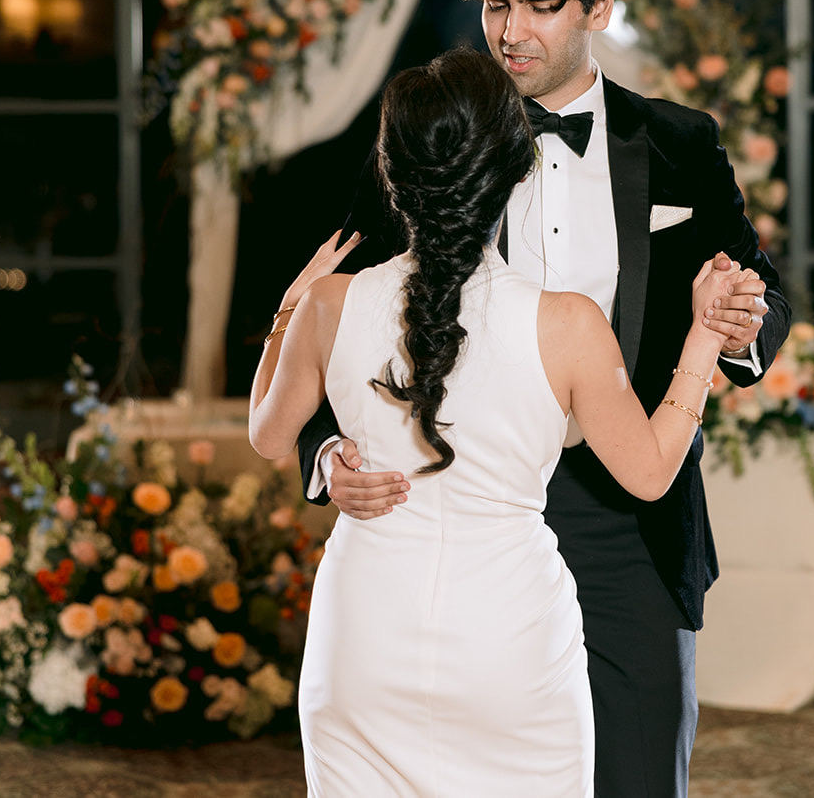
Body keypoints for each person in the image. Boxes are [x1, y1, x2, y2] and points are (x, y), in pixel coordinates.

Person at [299, 0, 791, 798]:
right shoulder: (432, 130)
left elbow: (760, 287)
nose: (510, 32)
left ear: (598, 7)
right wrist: (327, 453)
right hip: (455, 506)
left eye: (539, 6)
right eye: (495, 6)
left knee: (639, 774)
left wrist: (738, 323)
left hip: (629, 514)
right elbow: (339, 320)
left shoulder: (680, 143)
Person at [248, 48, 746, 795]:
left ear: (390, 173)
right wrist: (703, 338)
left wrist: (288, 309)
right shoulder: (568, 324)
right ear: (515, 172)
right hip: (508, 642)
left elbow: (266, 434)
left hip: (362, 637)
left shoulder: (327, 304)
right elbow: (649, 473)